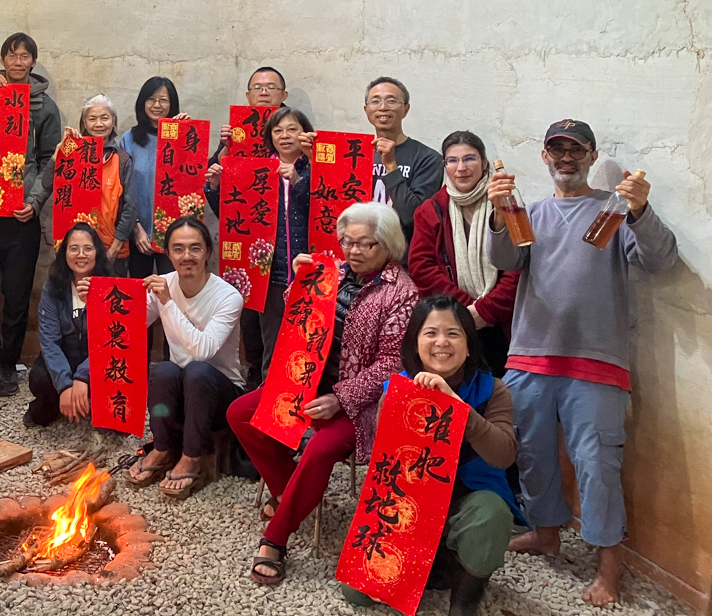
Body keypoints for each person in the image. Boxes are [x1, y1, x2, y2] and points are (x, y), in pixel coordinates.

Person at [488, 119, 678, 607]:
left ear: (592, 156)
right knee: (532, 454)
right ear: (545, 157)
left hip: (597, 362)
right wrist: (496, 213)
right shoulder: (529, 213)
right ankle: (546, 531)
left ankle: (609, 567)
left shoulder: (615, 210)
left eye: (576, 150)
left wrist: (641, 210)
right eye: (557, 149)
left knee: (597, 464)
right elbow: (505, 259)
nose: (566, 157)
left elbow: (660, 260)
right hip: (529, 357)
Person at [227, 202, 419, 586]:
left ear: (389, 245)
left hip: (358, 404)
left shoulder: (402, 293)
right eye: (348, 242)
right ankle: (295, 490)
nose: (354, 251)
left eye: (367, 244)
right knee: (240, 414)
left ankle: (276, 539)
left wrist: (340, 398)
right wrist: (299, 287)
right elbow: (300, 325)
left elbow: (390, 364)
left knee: (319, 448)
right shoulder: (330, 273)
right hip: (303, 385)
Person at [339, 295, 523, 615]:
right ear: (415, 344)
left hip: (468, 501)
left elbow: (504, 455)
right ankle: (428, 568)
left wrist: (455, 406)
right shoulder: (397, 392)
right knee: (357, 592)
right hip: (412, 509)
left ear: (468, 346)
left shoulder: (492, 390)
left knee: (492, 515)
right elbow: (386, 472)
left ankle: (465, 599)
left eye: (453, 333)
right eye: (430, 333)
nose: (442, 342)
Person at [0, 32, 62, 397]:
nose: (18, 61)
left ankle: (8, 361)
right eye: (12, 55)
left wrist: (35, 201)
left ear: (33, 62)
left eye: (25, 56)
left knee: (18, 291)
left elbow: (52, 159)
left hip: (21, 212)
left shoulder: (45, 106)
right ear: (3, 59)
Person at [124, 217, 243, 499]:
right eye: (178, 249)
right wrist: (95, 299)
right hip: (180, 392)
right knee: (164, 370)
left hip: (220, 394)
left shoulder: (228, 296)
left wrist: (166, 303)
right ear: (168, 253)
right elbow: (131, 326)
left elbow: (202, 351)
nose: (186, 256)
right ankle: (163, 449)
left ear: (208, 253)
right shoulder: (163, 284)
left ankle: (192, 456)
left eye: (195, 248)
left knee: (198, 370)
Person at [409, 131, 520, 375]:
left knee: (497, 399)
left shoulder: (506, 206)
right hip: (449, 325)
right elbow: (422, 267)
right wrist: (465, 312)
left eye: (469, 159)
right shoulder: (430, 210)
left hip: (501, 324)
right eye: (452, 160)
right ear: (445, 166)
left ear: (484, 163)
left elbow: (517, 267)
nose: (461, 168)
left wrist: (485, 312)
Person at [203, 68, 288, 381]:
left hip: (283, 252)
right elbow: (219, 202)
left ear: (284, 97)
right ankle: (255, 377)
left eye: (271, 87)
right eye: (257, 87)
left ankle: (276, 386)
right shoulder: (233, 144)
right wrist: (226, 149)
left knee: (280, 328)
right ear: (248, 96)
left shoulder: (294, 139)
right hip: (246, 249)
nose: (264, 92)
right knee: (249, 319)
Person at [31, 93, 137, 275]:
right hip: (75, 251)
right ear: (84, 123)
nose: (99, 124)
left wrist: (115, 248)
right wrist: (58, 155)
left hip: (111, 250)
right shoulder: (71, 152)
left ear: (113, 121)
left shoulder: (122, 159)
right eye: (92, 118)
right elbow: (48, 183)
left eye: (104, 118)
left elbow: (130, 207)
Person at [24, 223, 113, 427]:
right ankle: (57, 403)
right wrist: (64, 385)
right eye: (74, 248)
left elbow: (109, 343)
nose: (81, 255)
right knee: (39, 377)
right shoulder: (53, 286)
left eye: (88, 249)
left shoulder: (111, 287)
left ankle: (93, 404)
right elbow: (49, 342)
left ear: (97, 252)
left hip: (98, 359)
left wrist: (83, 377)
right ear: (64, 253)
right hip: (65, 354)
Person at [250, 107, 316, 378]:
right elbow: (237, 217)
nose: (285, 136)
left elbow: (328, 210)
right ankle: (266, 407)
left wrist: (299, 181)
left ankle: (304, 413)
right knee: (273, 346)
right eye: (278, 131)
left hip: (311, 272)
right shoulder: (259, 171)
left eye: (292, 129)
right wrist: (215, 187)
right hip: (271, 275)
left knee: (308, 346)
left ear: (305, 133)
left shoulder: (319, 168)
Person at [364, 76, 442, 250]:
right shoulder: (355, 154)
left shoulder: (427, 158)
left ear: (406, 109)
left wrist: (391, 166)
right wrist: (313, 160)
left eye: (391, 101)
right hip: (359, 255)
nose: (383, 107)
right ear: (366, 109)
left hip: (403, 258)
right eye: (375, 101)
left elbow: (413, 217)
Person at [120, 77, 183, 279]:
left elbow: (191, 182)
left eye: (163, 100)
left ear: (172, 103)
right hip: (138, 231)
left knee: (174, 294)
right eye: (151, 99)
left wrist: (188, 132)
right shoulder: (128, 139)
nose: (157, 105)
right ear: (142, 103)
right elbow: (123, 189)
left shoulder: (184, 136)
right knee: (140, 292)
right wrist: (136, 228)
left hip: (175, 234)